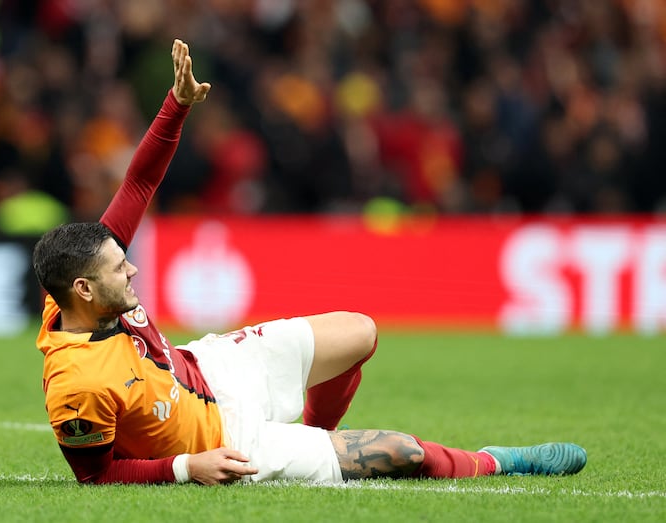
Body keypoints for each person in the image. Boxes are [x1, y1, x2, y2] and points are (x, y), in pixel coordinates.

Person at [32, 39, 587, 485]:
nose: (130, 270)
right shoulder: (76, 382)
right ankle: (495, 461)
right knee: (403, 452)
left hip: (208, 368)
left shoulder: (82, 276)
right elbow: (95, 476)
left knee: (360, 332)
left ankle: (314, 442)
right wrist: (185, 467)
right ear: (82, 289)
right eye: (117, 268)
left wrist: (176, 105)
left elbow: (140, 181)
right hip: (224, 444)